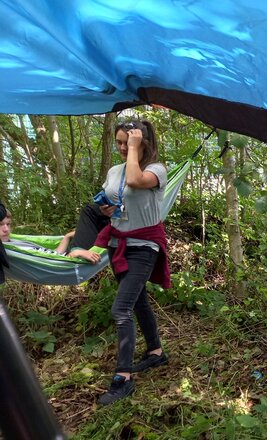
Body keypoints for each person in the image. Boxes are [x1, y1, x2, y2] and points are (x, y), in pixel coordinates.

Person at [94, 119, 171, 405]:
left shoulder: (156, 169)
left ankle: (123, 378)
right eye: (119, 143)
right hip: (118, 245)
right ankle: (156, 353)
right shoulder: (115, 170)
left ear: (143, 142)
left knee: (121, 309)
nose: (123, 147)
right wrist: (107, 208)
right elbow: (115, 200)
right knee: (138, 302)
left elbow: (136, 181)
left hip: (144, 247)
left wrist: (134, 152)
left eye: (128, 142)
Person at [0, 210, 102, 264]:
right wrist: (76, 252)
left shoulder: (14, 241)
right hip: (74, 259)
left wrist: (66, 237)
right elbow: (55, 264)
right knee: (90, 212)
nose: (6, 229)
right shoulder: (10, 250)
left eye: (8, 224)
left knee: (98, 222)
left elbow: (54, 255)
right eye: (0, 225)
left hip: (71, 255)